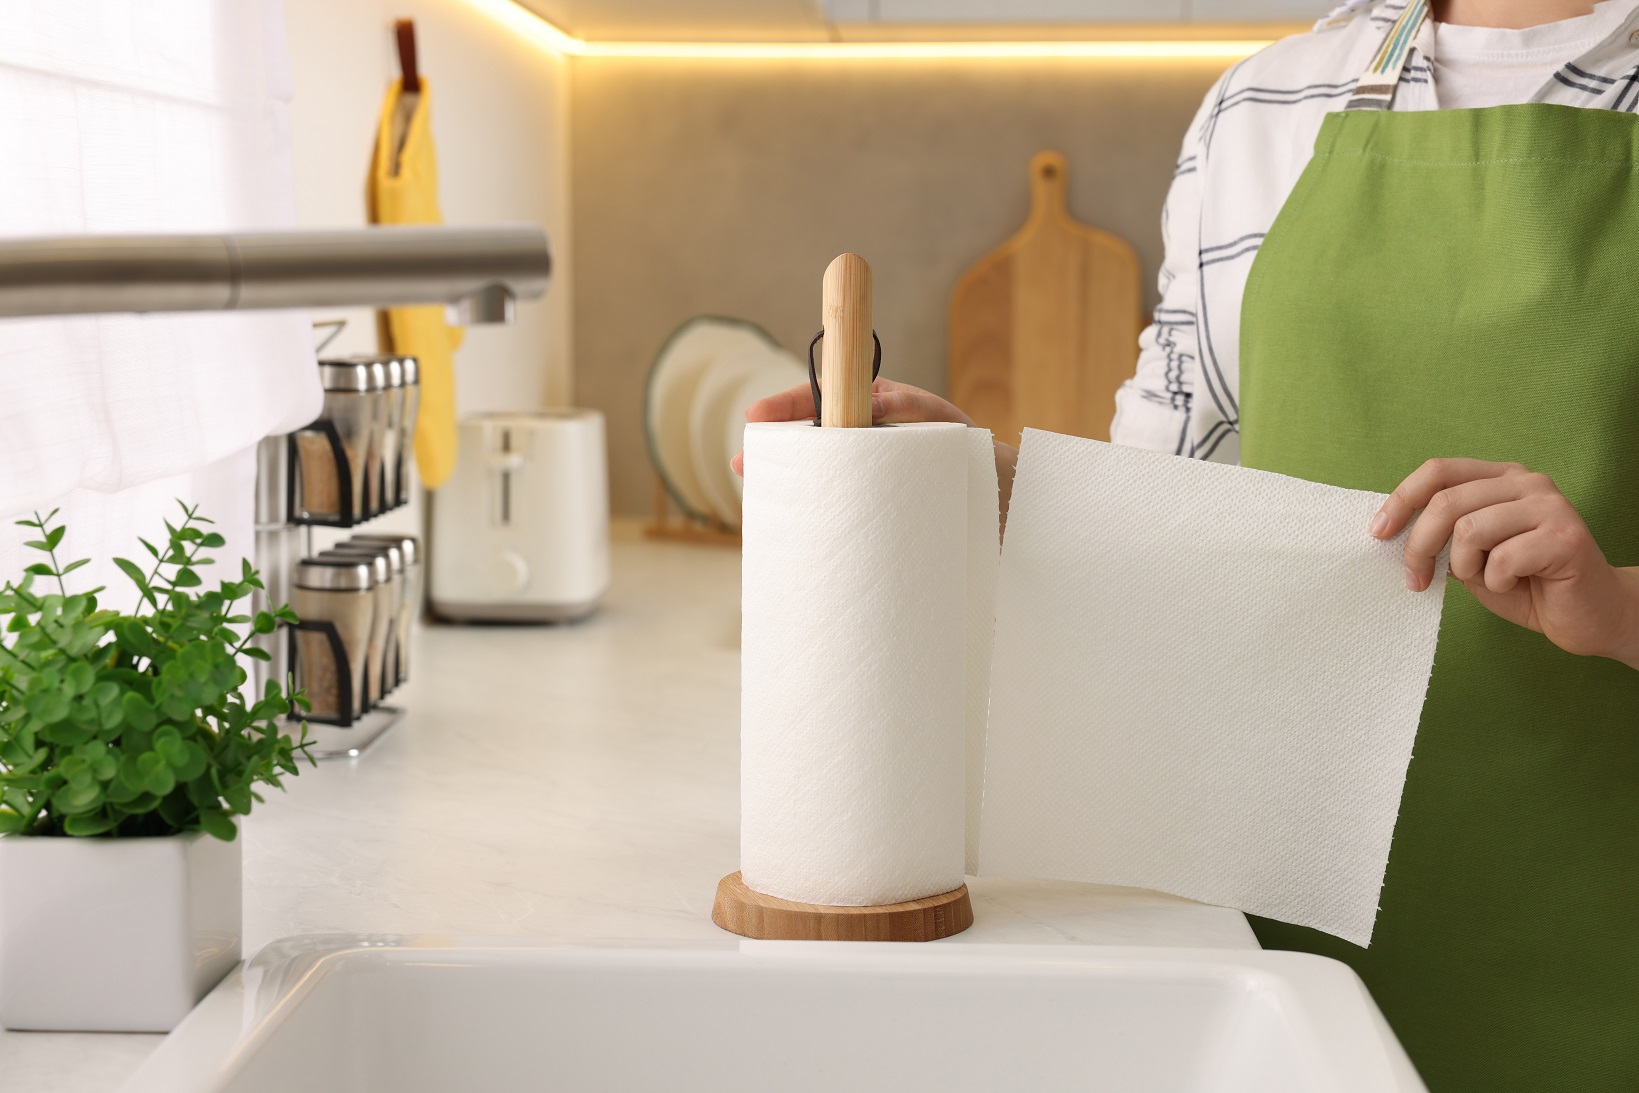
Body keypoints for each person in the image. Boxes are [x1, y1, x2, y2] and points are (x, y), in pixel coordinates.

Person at [735, 1, 1639, 1088]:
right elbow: (1160, 512)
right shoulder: (1262, 108)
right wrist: (957, 476)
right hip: (1284, 939)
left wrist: (1619, 603)